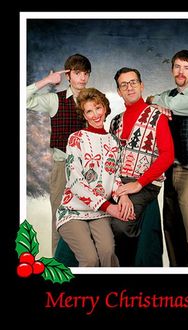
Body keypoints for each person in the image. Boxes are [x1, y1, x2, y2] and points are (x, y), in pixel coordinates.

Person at [56, 88, 135, 267]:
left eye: (98, 108)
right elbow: (75, 182)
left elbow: (114, 176)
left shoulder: (114, 142)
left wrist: (122, 195)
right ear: (83, 115)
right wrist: (109, 207)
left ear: (105, 109)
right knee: (90, 259)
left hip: (99, 213)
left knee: (108, 253)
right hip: (73, 211)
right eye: (89, 111)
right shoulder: (76, 139)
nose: (95, 115)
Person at [147, 49, 188, 267]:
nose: (181, 72)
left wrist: (158, 104)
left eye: (186, 68)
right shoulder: (167, 95)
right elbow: (151, 102)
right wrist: (156, 102)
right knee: (172, 229)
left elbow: (171, 106)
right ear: (172, 68)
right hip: (170, 170)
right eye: (177, 67)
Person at [26, 53, 91, 255]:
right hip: (62, 168)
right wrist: (47, 81)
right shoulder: (56, 100)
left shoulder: (93, 99)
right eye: (77, 73)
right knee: (60, 218)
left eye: (86, 73)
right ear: (68, 74)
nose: (82, 77)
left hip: (89, 169)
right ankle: (59, 265)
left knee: (87, 219)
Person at [109, 67, 175, 266]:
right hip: (119, 182)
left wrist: (139, 183)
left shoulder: (157, 116)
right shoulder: (115, 122)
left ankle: (126, 268)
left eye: (133, 82)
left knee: (119, 226)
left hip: (145, 183)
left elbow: (168, 155)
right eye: (124, 85)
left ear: (141, 85)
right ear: (119, 91)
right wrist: (121, 192)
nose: (130, 88)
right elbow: (110, 160)